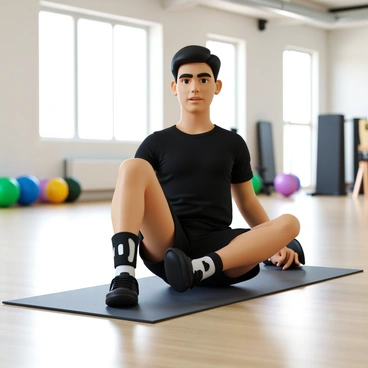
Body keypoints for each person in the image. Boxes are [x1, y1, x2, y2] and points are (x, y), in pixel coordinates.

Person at [105, 45, 303, 308]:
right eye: (185, 80)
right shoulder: (156, 142)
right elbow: (131, 193)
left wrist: (274, 243)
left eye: (203, 79)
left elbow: (246, 201)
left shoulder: (233, 143)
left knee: (289, 224)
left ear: (217, 86)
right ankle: (124, 276)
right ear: (174, 87)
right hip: (169, 245)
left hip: (222, 251)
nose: (194, 87)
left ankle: (199, 268)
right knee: (133, 167)